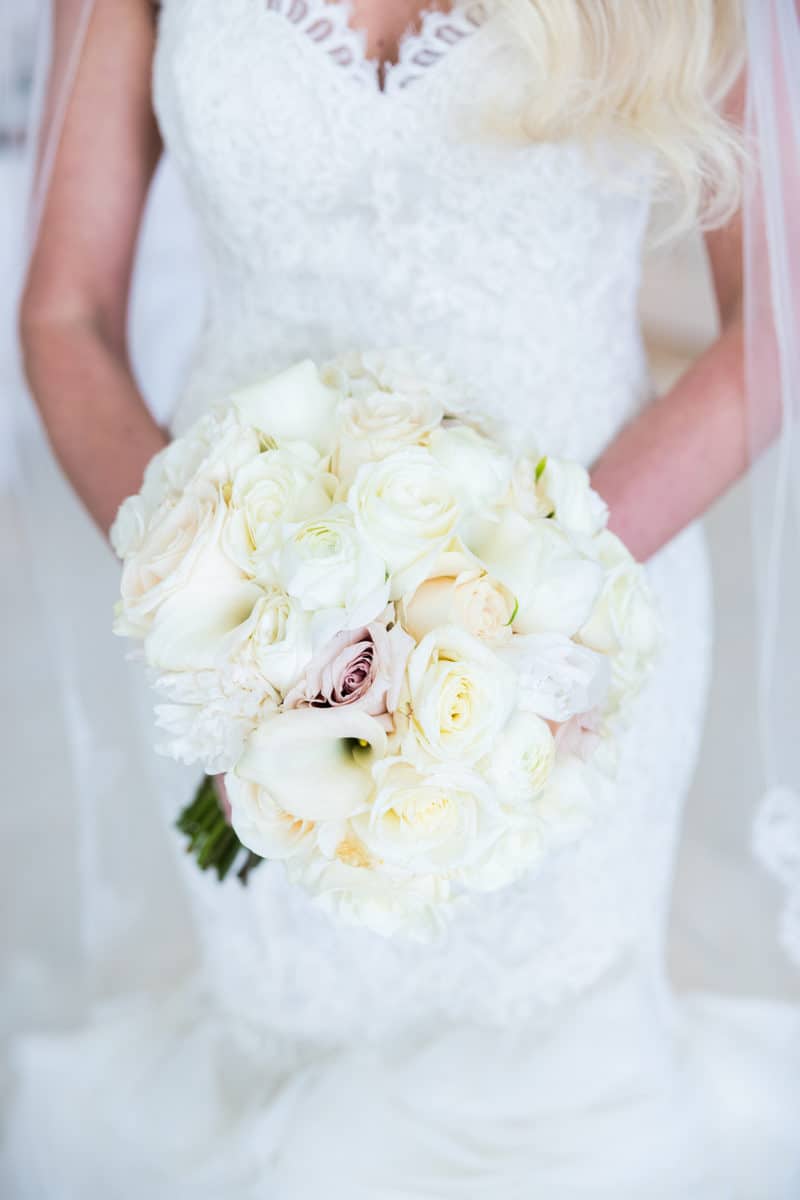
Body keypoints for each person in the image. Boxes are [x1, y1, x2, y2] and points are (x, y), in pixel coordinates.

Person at [4, 1, 799, 1195]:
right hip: (242, 643)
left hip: (576, 631)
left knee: (552, 1080)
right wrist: (214, 606)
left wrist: (525, 598)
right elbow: (66, 313)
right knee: (291, 1016)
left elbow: (773, 327)